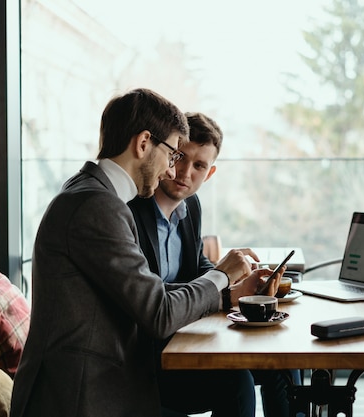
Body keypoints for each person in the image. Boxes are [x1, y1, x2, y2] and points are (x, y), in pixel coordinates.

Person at [10, 88, 283, 417]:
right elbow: (159, 312)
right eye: (172, 155)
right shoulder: (97, 207)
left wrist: (227, 292)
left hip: (98, 386)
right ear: (143, 144)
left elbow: (145, 296)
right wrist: (221, 275)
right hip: (82, 398)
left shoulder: (91, 195)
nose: (172, 171)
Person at [128, 112, 296, 417]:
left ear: (210, 173)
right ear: (167, 154)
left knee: (282, 363)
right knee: (236, 381)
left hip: (190, 336)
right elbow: (148, 297)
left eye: (199, 165)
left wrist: (238, 281)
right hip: (151, 360)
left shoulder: (190, 207)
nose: (185, 172)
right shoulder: (132, 211)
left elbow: (196, 264)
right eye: (180, 157)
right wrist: (219, 285)